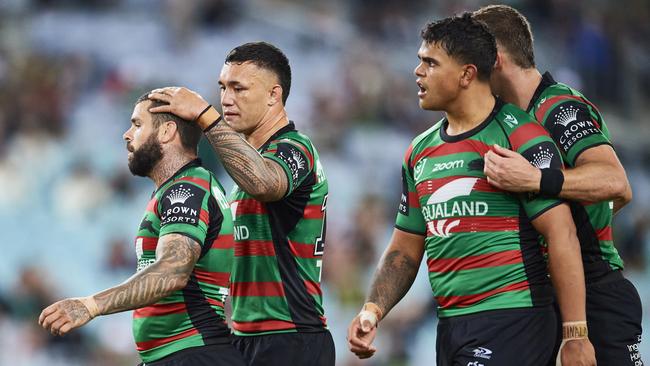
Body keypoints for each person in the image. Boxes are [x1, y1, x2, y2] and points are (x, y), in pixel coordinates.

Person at [346, 14, 596, 366]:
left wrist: (575, 334)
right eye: (419, 61)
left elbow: (561, 233)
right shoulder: (419, 151)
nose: (417, 72)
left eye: (430, 63)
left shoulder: (519, 135)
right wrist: (373, 309)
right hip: (450, 326)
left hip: (513, 319)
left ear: (466, 74)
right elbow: (404, 248)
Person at [473, 5, 643, 365]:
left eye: (473, 60)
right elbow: (616, 196)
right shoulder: (513, 120)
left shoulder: (557, 107)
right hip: (556, 294)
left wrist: (537, 181)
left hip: (596, 295)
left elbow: (615, 182)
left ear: (497, 59)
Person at [147, 41, 334, 366]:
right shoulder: (243, 174)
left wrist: (206, 117)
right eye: (222, 87)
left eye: (238, 88)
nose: (226, 99)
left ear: (274, 95)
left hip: (291, 337)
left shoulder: (296, 148)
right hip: (247, 339)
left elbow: (264, 182)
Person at [38, 93, 244, 365]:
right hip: (177, 354)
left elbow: (172, 271)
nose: (126, 134)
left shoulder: (187, 189)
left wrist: (91, 305)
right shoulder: (179, 189)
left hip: (193, 353)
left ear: (167, 131)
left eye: (137, 124)